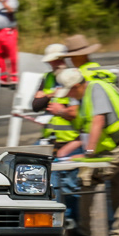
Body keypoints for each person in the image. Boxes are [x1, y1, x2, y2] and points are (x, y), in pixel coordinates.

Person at [54, 68, 119, 236]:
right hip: (112, 149)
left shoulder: (96, 89)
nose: (69, 96)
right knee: (117, 192)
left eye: (70, 92)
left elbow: (98, 120)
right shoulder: (85, 99)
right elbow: (85, 132)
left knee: (88, 180)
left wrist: (88, 153)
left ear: (77, 85)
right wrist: (64, 152)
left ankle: (85, 234)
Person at [32, 44, 82, 226]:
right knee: (50, 186)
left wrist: (60, 110)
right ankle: (55, 226)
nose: (55, 64)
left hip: (71, 141)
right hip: (50, 140)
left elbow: (77, 112)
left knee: (70, 187)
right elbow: (36, 105)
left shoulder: (74, 77)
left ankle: (72, 227)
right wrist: (51, 95)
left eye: (58, 60)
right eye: (52, 61)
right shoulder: (47, 79)